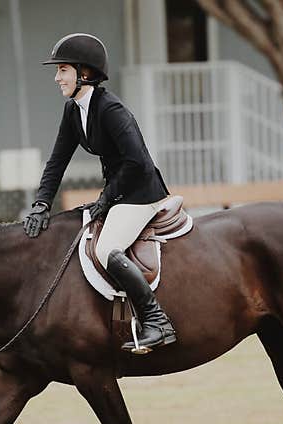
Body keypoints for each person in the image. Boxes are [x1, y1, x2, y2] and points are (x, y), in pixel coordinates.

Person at [23, 33, 176, 354]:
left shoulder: (111, 109)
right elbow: (57, 161)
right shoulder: (73, 110)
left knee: (107, 249)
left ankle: (156, 320)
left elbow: (138, 162)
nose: (56, 77)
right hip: (119, 194)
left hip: (141, 194)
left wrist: (106, 198)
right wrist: (41, 203)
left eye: (62, 69)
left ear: (85, 74)